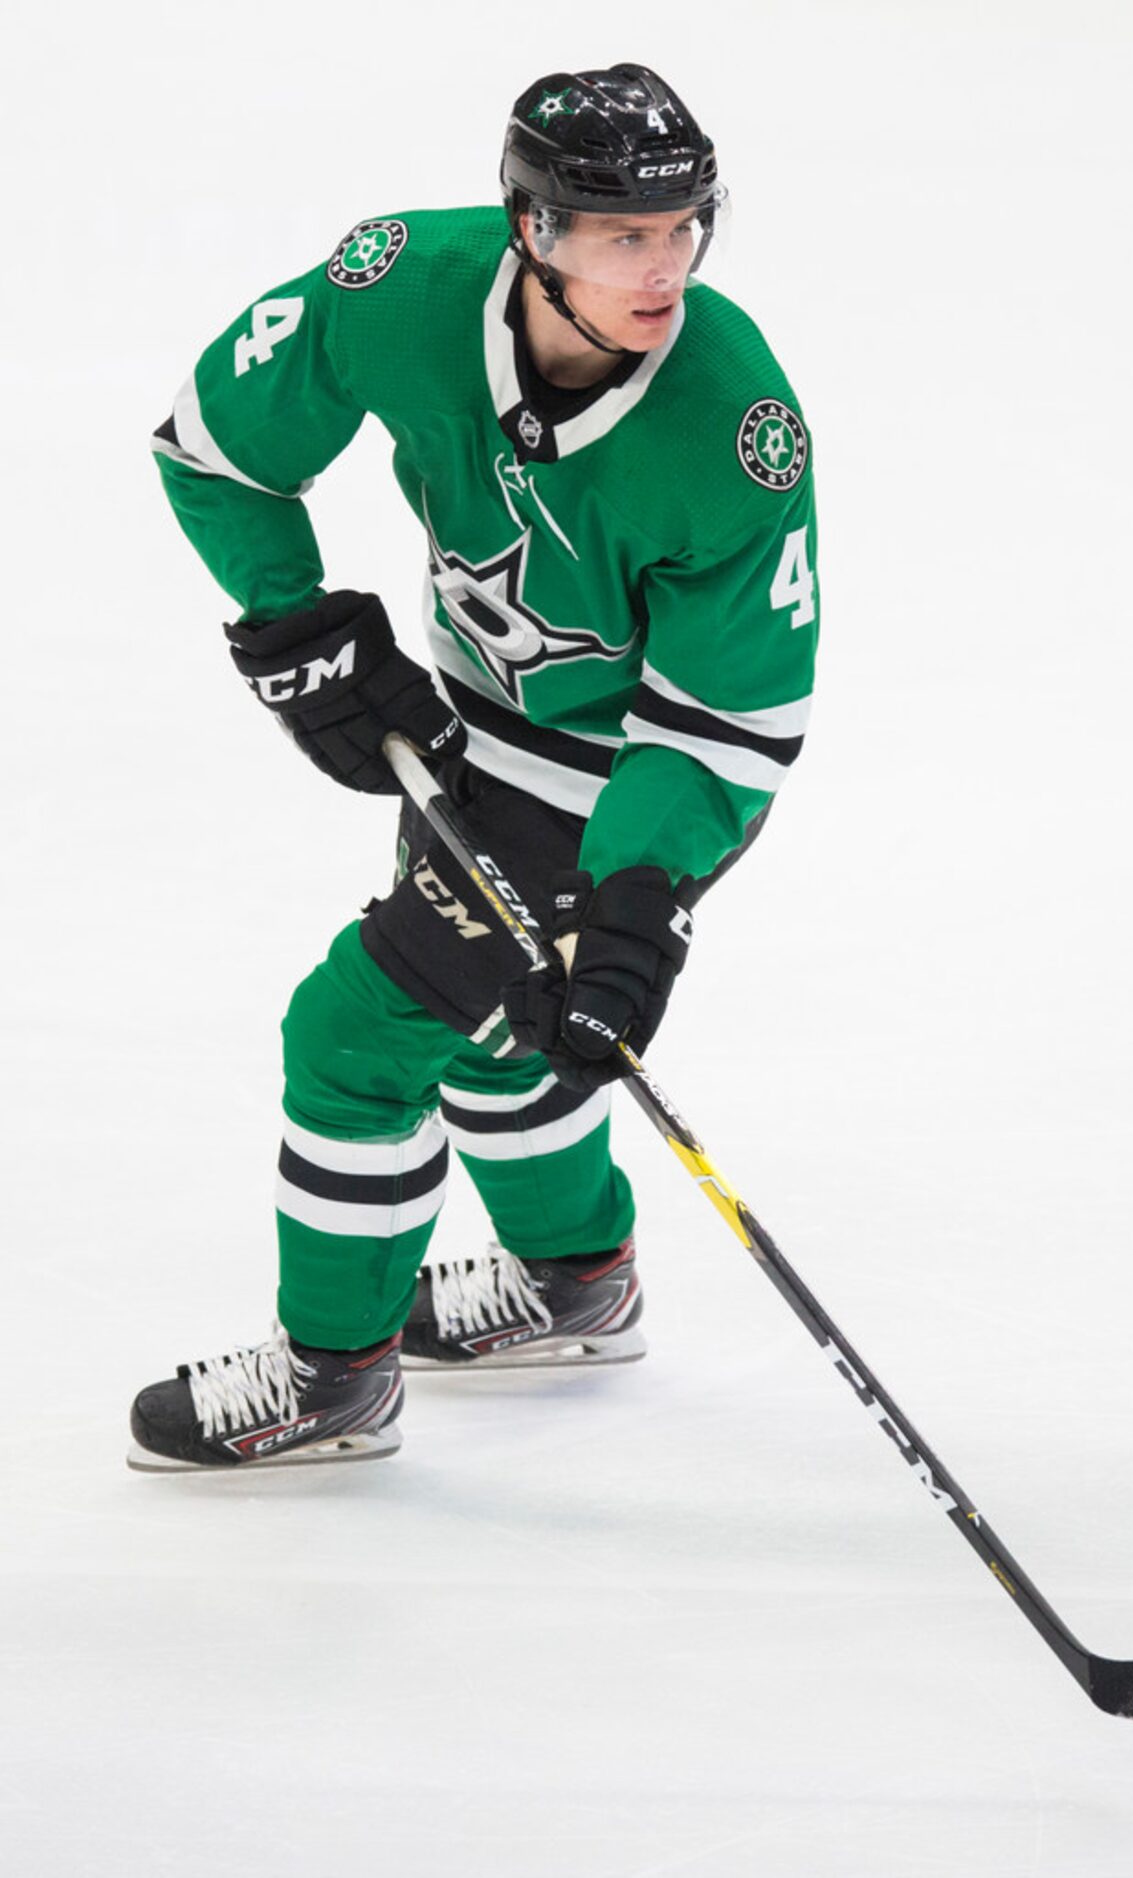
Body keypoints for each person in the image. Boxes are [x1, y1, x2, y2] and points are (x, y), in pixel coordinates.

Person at [129, 63, 819, 1471]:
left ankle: (334, 1370)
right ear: (529, 227)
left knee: (355, 1040)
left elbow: (724, 721)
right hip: (469, 717)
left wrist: (636, 899)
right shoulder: (397, 285)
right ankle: (576, 1281)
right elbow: (211, 449)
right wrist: (294, 621)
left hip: (627, 765)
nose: (665, 264)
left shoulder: (737, 426)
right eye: (624, 232)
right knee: (503, 1032)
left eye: (688, 225)